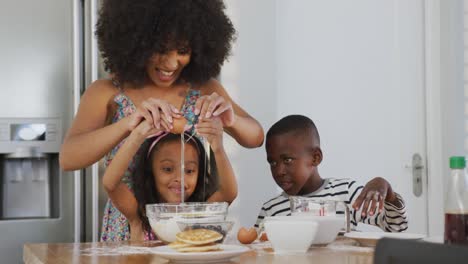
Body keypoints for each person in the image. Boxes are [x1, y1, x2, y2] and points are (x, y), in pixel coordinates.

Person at [59, 0, 263, 241]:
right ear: (137, 43)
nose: (171, 63)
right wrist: (128, 125)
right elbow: (69, 158)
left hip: (186, 220)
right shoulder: (107, 91)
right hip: (130, 222)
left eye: (183, 51)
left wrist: (232, 120)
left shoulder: (205, 88)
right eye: (161, 49)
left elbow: (256, 137)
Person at [255, 115, 408, 232]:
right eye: (272, 162)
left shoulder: (346, 193)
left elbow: (397, 227)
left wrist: (387, 190)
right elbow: (258, 250)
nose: (279, 171)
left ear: (315, 158)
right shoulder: (271, 210)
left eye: (287, 160)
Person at [102, 117, 236, 241]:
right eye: (167, 169)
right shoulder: (140, 213)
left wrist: (218, 148)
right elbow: (110, 184)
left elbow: (228, 193)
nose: (180, 178)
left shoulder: (199, 214)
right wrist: (136, 136)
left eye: (189, 171)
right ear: (150, 171)